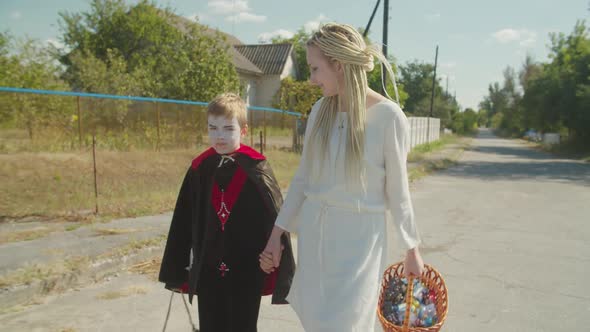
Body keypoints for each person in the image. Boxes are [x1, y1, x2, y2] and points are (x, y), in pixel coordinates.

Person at [259, 23, 425, 331]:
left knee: (348, 324)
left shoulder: (390, 117)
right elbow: (302, 179)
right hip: (316, 237)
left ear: (338, 65)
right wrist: (276, 234)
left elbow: (399, 191)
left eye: (315, 69)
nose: (311, 80)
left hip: (360, 242)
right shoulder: (321, 110)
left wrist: (411, 248)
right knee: (318, 323)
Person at [159, 93, 295, 332]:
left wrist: (272, 252)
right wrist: (179, 267)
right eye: (213, 128)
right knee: (210, 325)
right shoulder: (200, 167)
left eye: (227, 128)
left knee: (243, 325)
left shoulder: (257, 167)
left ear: (243, 131)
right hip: (209, 267)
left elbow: (273, 217)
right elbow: (183, 221)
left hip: (247, 266)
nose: (219, 135)